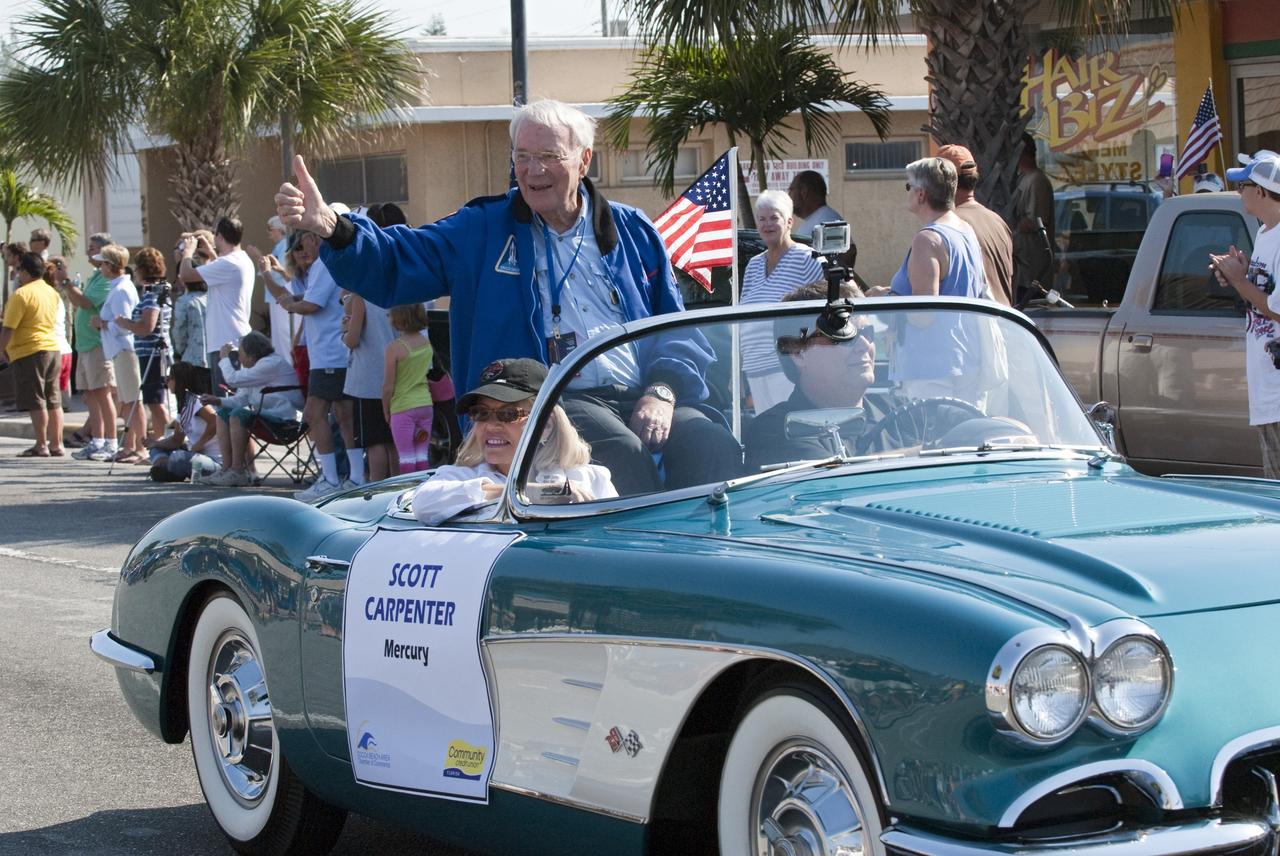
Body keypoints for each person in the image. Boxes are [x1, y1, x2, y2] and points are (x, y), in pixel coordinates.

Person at [276, 98, 738, 496]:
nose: (533, 171)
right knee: (622, 453)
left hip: (644, 390)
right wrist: (334, 229)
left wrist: (662, 391)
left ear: (584, 160)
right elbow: (399, 261)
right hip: (547, 400)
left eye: (549, 156)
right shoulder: (482, 229)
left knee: (713, 446)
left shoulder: (633, 230)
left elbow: (677, 329)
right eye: (522, 156)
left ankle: (715, 571)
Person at [411, 358, 615, 525]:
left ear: (546, 426)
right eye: (481, 413)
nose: (491, 426)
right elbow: (423, 503)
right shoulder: (461, 476)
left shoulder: (591, 478)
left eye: (508, 414)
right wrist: (522, 493)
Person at [870, 157, 991, 404]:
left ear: (921, 194)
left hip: (932, 370)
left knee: (932, 441)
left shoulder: (928, 239)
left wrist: (884, 298)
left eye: (908, 187)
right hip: (967, 361)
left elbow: (922, 315)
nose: (907, 193)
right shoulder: (965, 231)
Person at [260, 231, 359, 499]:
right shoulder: (323, 265)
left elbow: (311, 305)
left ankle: (332, 478)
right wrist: (290, 299)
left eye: (306, 240)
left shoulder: (324, 264)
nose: (304, 247)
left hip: (330, 354)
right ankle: (353, 477)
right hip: (328, 354)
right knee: (343, 415)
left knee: (315, 414)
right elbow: (305, 297)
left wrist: (291, 305)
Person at [744, 280, 875, 470]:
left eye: (868, 332)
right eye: (844, 335)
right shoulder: (775, 430)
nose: (864, 345)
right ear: (797, 352)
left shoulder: (908, 414)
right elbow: (835, 481)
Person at [1210, 152, 1280, 479]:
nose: (1239, 192)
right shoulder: (1267, 233)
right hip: (1268, 390)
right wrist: (1239, 276)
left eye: (1244, 185)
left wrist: (1239, 279)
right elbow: (1265, 295)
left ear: (1262, 192)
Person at [739, 189, 825, 413]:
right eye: (762, 219)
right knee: (768, 433)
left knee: (788, 433)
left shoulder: (808, 258)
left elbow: (829, 304)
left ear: (789, 222)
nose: (767, 224)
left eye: (774, 218)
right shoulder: (753, 265)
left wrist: (804, 348)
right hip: (754, 371)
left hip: (786, 370)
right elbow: (742, 319)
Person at [198, 331, 304, 486]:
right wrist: (218, 401)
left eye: (240, 354)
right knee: (222, 414)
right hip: (267, 416)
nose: (239, 359)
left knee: (238, 415)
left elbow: (232, 380)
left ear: (251, 355)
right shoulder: (256, 369)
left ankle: (237, 471)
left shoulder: (270, 364)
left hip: (285, 419)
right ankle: (227, 469)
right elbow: (241, 399)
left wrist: (224, 358)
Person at [178, 216, 254, 394]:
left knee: (226, 403)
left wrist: (187, 253)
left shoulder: (228, 263)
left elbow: (186, 275)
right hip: (233, 339)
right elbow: (221, 270)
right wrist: (211, 251)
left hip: (226, 343)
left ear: (220, 236)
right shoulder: (241, 260)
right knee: (230, 401)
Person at [1, 252, 64, 456]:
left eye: (19, 270)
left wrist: (1, 349)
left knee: (36, 399)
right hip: (52, 347)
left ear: (25, 272)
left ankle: (41, 444)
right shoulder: (51, 292)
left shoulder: (21, 294)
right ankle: (56, 444)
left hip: (30, 350)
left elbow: (9, 327)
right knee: (53, 399)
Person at [936, 144, 1015, 307]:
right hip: (1003, 325)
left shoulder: (950, 226)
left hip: (973, 327)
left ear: (943, 181)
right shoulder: (997, 221)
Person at [114, 247, 173, 448]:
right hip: (150, 353)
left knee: (156, 402)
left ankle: (163, 442)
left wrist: (126, 324)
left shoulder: (152, 295)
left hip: (153, 355)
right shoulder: (155, 292)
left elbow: (147, 327)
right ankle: (160, 442)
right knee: (154, 401)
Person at [93, 244, 143, 462]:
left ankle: (138, 447)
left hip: (125, 350)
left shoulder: (122, 289)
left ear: (111, 265)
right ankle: (129, 445)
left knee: (133, 400)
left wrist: (102, 323)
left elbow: (124, 324)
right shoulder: (118, 286)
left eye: (102, 263)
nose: (100, 267)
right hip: (119, 351)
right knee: (127, 400)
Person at [343, 290, 399, 480]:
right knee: (393, 440)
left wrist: (345, 332)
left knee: (375, 441)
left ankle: (376, 486)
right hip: (399, 376)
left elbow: (352, 339)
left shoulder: (361, 297)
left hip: (369, 379)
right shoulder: (400, 294)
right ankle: (396, 485)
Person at [147, 363, 222, 482]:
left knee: (179, 457)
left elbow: (215, 421)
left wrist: (199, 444)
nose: (166, 381)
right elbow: (176, 440)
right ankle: (169, 469)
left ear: (180, 381)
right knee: (156, 449)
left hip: (214, 461)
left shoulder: (195, 401)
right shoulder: (184, 406)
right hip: (195, 455)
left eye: (169, 378)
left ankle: (167, 469)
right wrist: (155, 443)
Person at [383, 303, 435, 473]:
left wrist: (386, 410)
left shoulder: (395, 348)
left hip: (402, 406)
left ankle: (408, 494)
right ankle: (423, 490)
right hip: (425, 404)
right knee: (422, 456)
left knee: (406, 457)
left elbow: (388, 386)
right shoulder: (426, 343)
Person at [1009, 134, 1055, 303]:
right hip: (1020, 272)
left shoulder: (1037, 181)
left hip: (1032, 273)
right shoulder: (1022, 179)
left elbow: (1036, 221)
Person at [44, 257, 74, 410]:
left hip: (54, 350)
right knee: (58, 402)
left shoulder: (48, 297)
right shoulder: (56, 296)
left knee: (53, 403)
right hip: (64, 349)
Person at [787, 170, 843, 240]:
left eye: (791, 189)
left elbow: (850, 250)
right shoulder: (817, 219)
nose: (788, 195)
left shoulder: (827, 221)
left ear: (804, 191)